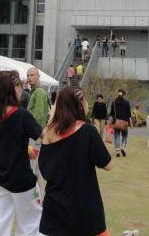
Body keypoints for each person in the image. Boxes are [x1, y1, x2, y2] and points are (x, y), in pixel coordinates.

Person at [39, 87, 113, 236]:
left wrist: (52, 118)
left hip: (54, 210)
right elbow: (107, 164)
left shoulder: (47, 133)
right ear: (80, 104)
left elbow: (44, 169)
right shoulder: (88, 131)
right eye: (85, 100)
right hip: (84, 210)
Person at [0, 72, 43, 236]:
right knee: (31, 223)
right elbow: (42, 135)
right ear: (14, 89)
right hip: (21, 178)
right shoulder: (21, 115)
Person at [27, 66, 49, 197]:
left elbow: (39, 117)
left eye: (32, 75)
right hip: (36, 135)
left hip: (34, 136)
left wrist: (33, 134)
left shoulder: (39, 92)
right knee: (36, 169)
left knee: (32, 168)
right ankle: (39, 198)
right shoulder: (35, 91)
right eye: (28, 75)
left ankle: (35, 198)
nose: (29, 78)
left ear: (38, 76)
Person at [109, 89, 131, 157]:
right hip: (125, 122)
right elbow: (129, 114)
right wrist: (131, 124)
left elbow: (111, 114)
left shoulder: (114, 102)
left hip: (116, 122)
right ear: (124, 94)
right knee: (125, 135)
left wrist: (110, 122)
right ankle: (123, 147)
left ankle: (118, 151)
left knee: (117, 136)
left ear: (118, 94)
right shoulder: (127, 102)